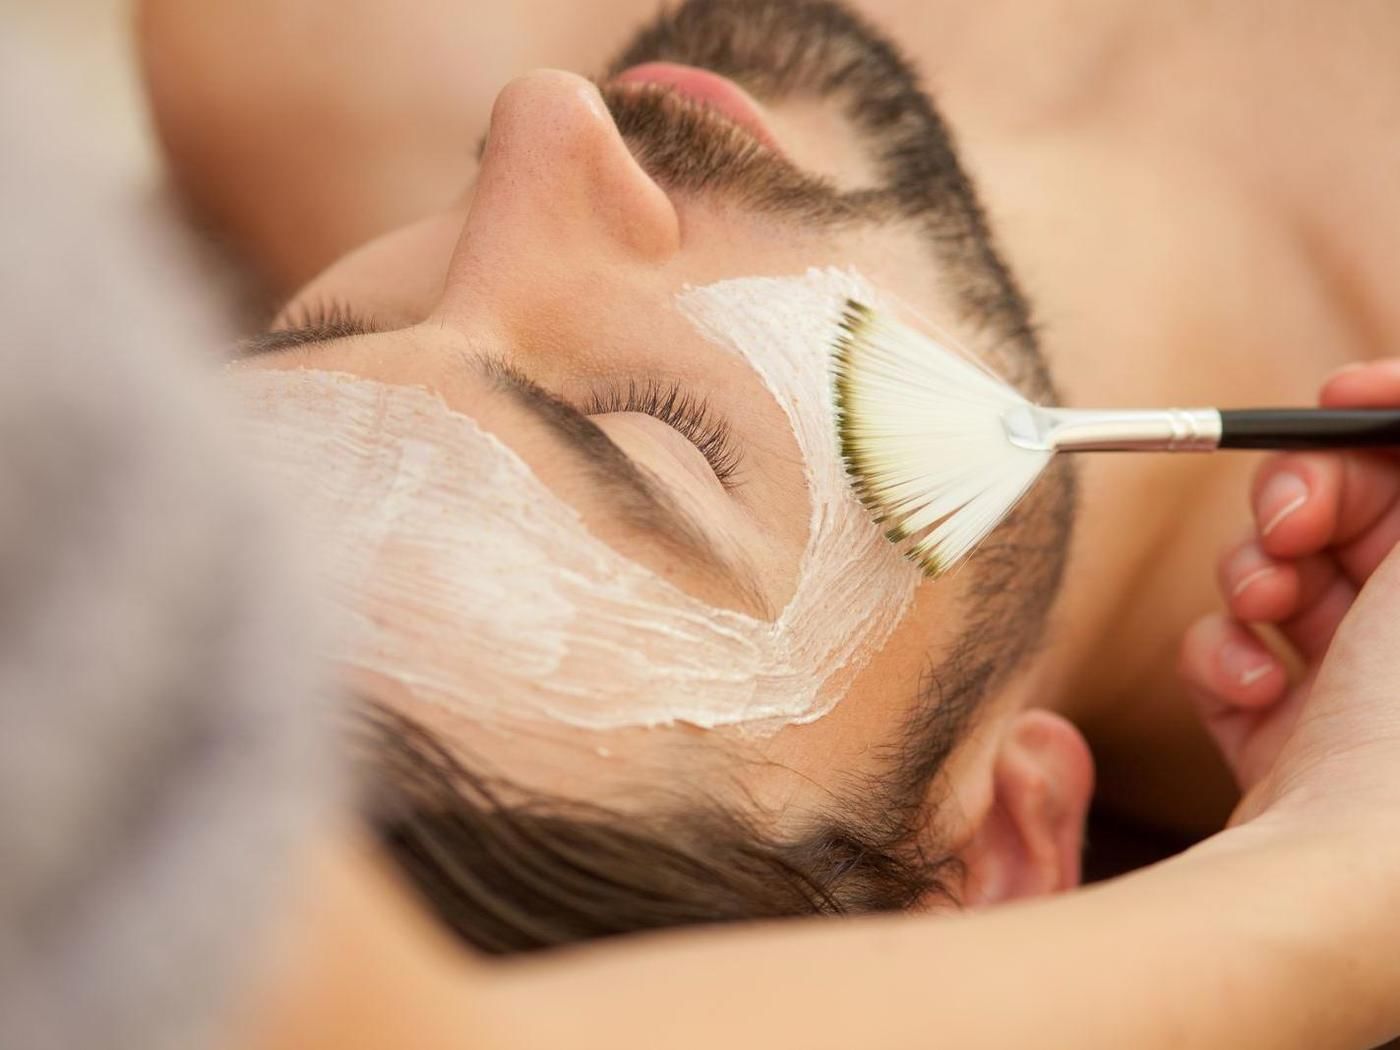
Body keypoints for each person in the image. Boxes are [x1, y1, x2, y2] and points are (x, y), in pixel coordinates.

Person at [135, 0, 1400, 951]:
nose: (545, 127)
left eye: (325, 338)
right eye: (656, 430)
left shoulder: (331, 48)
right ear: (985, 863)